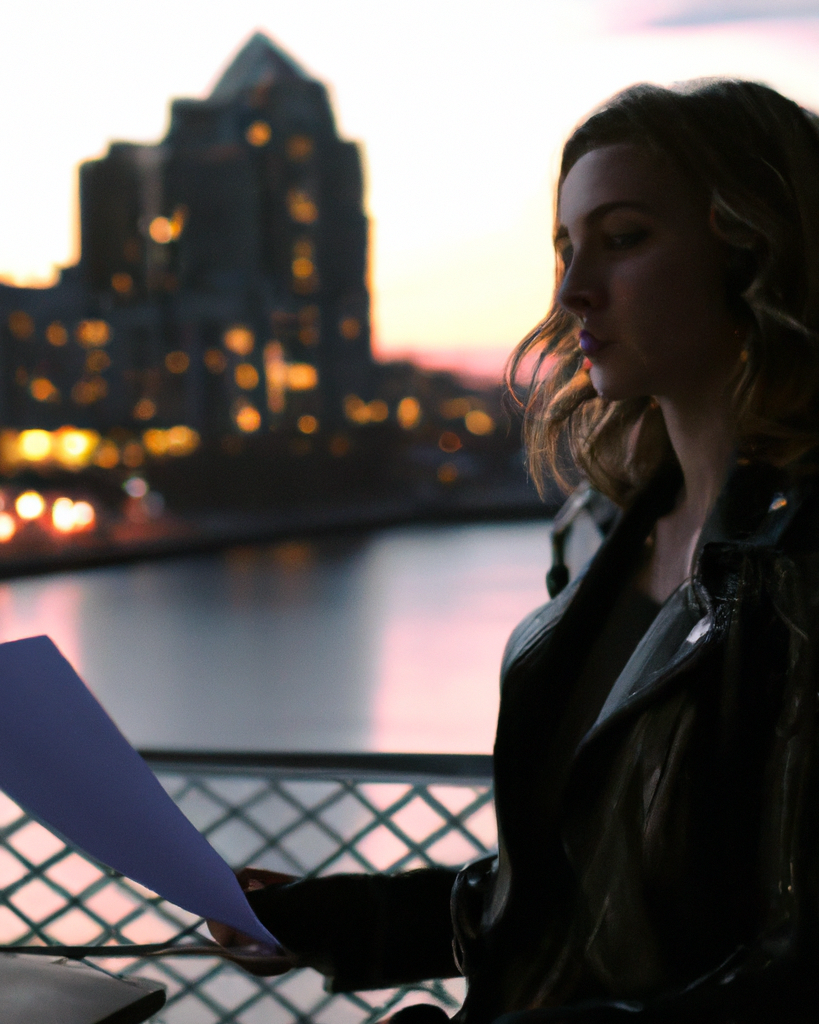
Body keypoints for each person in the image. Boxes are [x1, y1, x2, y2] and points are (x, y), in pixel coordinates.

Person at [212, 79, 819, 1023]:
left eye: (623, 240)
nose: (574, 290)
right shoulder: (600, 534)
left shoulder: (801, 565)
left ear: (757, 253)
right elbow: (583, 887)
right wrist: (339, 918)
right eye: (567, 248)